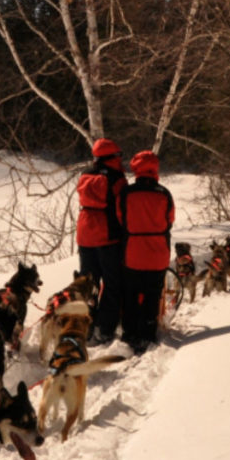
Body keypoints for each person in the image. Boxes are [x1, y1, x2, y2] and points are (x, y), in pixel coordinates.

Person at [119, 150, 175, 354]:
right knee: (152, 296)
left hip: (133, 252)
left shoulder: (126, 193)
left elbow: (120, 218)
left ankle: (130, 335)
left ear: (135, 168)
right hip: (157, 253)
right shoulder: (164, 193)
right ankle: (148, 334)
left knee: (131, 295)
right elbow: (170, 220)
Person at [76, 137, 128, 345]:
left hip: (84, 232)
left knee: (88, 284)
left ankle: (85, 327)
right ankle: (105, 328)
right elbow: (121, 210)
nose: (120, 158)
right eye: (118, 155)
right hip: (107, 235)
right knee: (112, 283)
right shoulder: (117, 178)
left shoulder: (85, 174)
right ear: (112, 157)